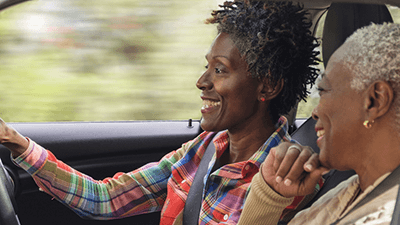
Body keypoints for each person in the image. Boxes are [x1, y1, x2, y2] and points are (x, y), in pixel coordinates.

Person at [0, 1, 321, 224]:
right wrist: (17, 143)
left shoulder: (287, 176)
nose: (201, 81)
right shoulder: (202, 150)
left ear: (267, 88)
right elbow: (105, 199)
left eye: (220, 70)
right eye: (206, 66)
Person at [237, 22, 400, 225]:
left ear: (375, 100)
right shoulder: (353, 189)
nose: (315, 112)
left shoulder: (384, 216)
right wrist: (269, 196)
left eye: (324, 90)